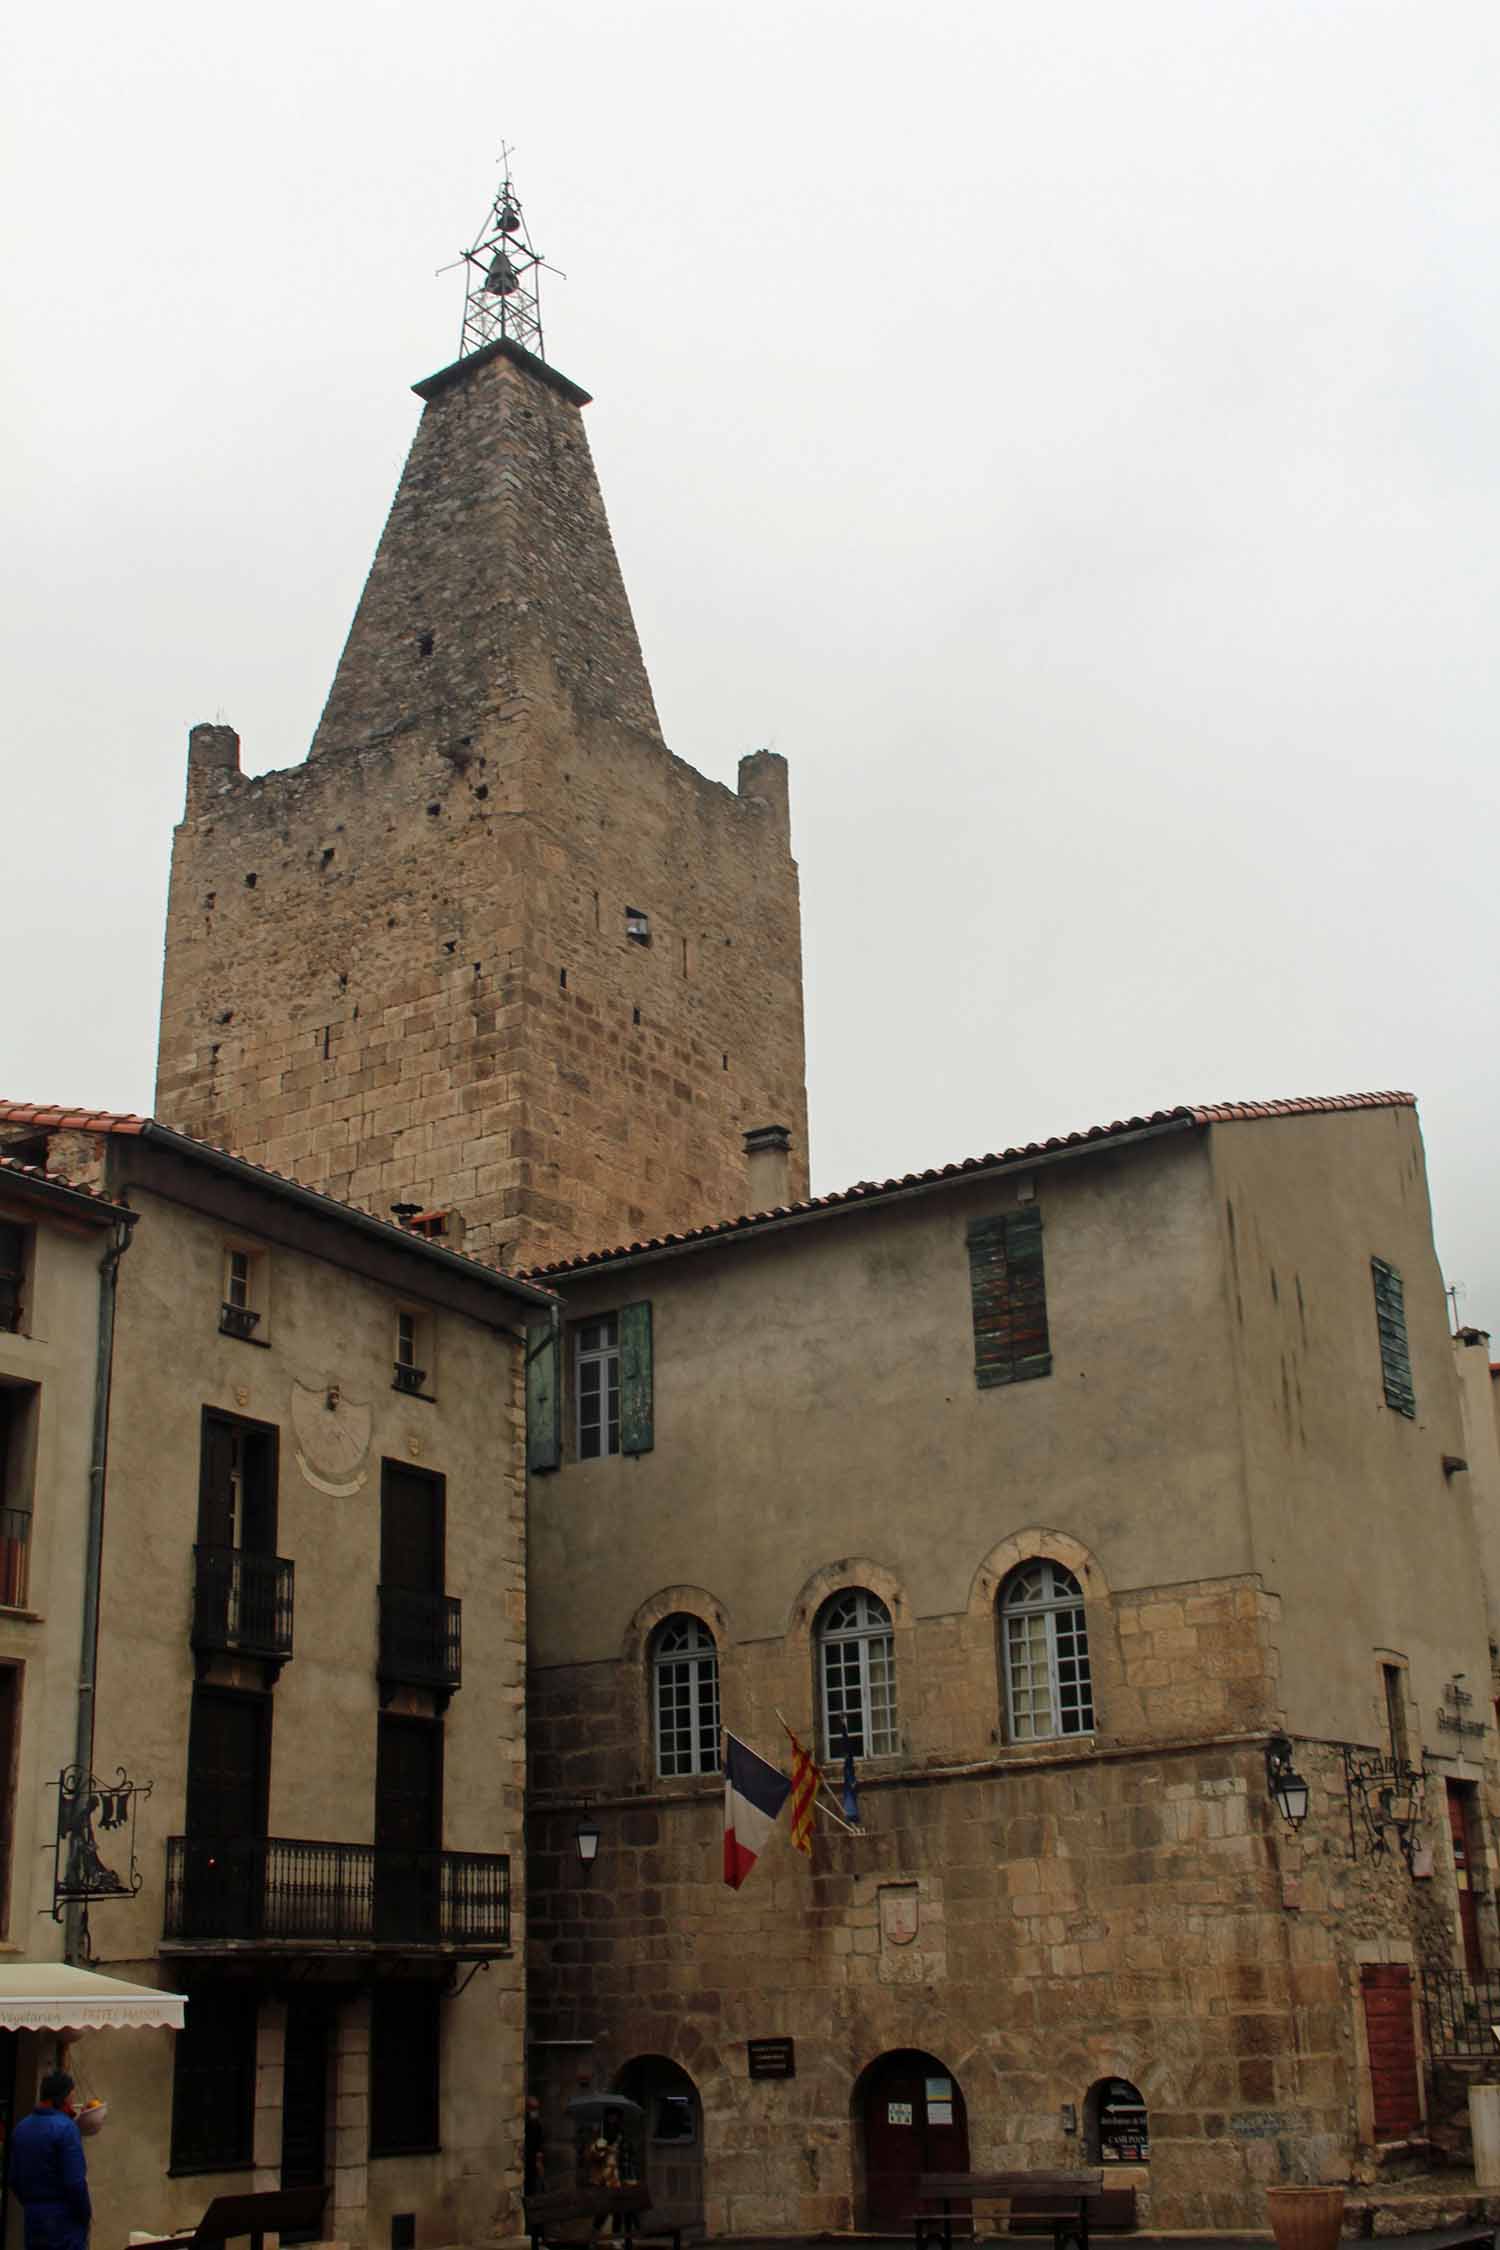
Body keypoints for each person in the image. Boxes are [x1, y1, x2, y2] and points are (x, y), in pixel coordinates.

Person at [9, 2071, 91, 2250]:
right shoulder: (66, 2129)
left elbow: (14, 2179)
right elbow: (75, 2183)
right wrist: (85, 2215)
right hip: (64, 2219)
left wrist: (33, 2205)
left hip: (33, 2217)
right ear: (65, 2097)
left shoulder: (21, 2129)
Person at [523, 2094, 546, 2195]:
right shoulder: (525, 2122)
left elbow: (539, 2140)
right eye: (532, 2108)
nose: (535, 2111)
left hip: (533, 2157)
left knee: (533, 2181)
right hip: (525, 2156)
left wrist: (539, 2154)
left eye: (536, 2108)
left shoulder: (537, 2123)